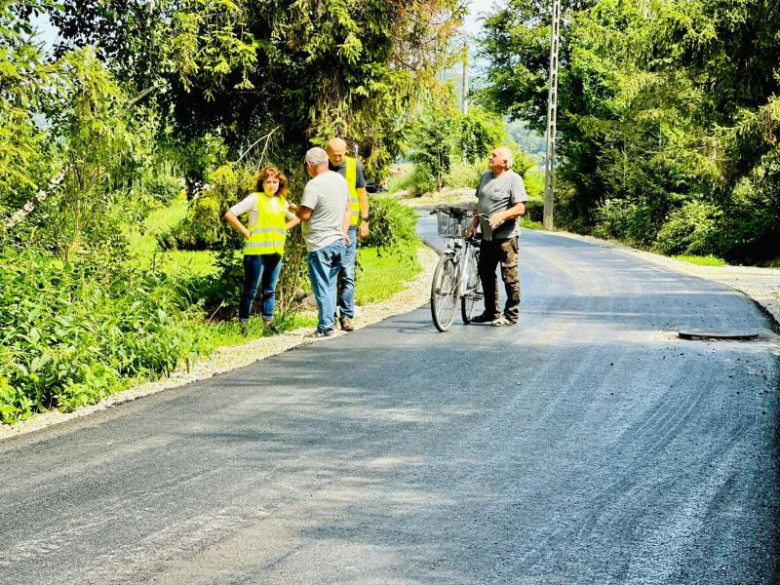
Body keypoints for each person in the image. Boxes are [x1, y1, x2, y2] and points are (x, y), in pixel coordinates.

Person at [224, 165, 299, 336]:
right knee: (250, 290)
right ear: (262, 183)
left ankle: (268, 325)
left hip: (275, 252)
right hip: (256, 253)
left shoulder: (281, 201)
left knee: (270, 289)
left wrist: (283, 228)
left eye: (275, 182)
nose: (272, 185)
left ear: (280, 184)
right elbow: (230, 214)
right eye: (269, 182)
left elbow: (296, 219)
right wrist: (244, 231)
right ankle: (243, 326)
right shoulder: (255, 198)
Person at [291, 147, 351, 338]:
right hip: (338, 240)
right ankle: (329, 320)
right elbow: (347, 206)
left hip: (320, 243)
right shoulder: (340, 180)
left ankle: (325, 327)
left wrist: (294, 209)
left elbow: (305, 214)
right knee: (330, 284)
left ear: (310, 165)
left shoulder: (314, 185)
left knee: (322, 286)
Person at [467, 146, 527, 327]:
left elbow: (520, 208)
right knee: (485, 273)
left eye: (495, 155)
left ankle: (511, 315)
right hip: (487, 237)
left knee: (509, 276)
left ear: (505, 162)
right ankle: (491, 312)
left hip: (506, 236)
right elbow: (481, 204)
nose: (490, 157)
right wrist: (473, 225)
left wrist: (501, 216)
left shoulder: (514, 179)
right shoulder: (485, 176)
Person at [326, 137, 369, 332]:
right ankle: (329, 316)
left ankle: (347, 316)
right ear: (327, 153)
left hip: (350, 226)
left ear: (346, 152)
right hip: (328, 227)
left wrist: (365, 221)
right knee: (329, 273)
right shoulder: (322, 166)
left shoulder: (353, 166)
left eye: (340, 155)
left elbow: (362, 194)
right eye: (333, 155)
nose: (337, 158)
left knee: (347, 272)